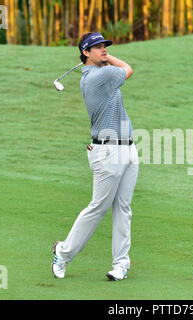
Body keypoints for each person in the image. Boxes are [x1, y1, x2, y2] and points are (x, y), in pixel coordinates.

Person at [51, 32, 138, 281]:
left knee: (123, 208)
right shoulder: (100, 76)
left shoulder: (100, 74)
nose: (103, 50)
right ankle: (63, 252)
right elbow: (128, 69)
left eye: (105, 47)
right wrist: (109, 58)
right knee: (98, 207)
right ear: (85, 53)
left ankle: (120, 264)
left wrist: (103, 57)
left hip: (128, 148)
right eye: (97, 47)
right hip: (108, 151)